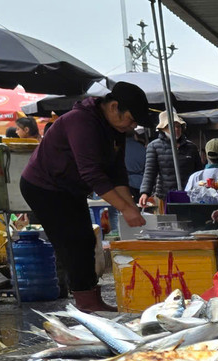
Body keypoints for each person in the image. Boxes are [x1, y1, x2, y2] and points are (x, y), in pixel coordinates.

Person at [17, 82, 149, 311]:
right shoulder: (81, 121)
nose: (132, 125)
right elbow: (93, 174)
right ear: (114, 106)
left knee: (87, 239)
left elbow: (117, 174)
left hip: (71, 188)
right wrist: (125, 209)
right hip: (44, 186)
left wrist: (130, 206)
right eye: (131, 119)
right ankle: (85, 303)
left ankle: (90, 298)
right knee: (73, 241)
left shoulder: (114, 130)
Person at [139, 113, 203, 207]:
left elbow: (198, 172)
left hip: (189, 195)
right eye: (171, 126)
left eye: (178, 126)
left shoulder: (191, 147)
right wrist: (145, 192)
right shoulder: (154, 146)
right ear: (163, 128)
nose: (176, 129)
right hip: (164, 196)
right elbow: (149, 172)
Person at [124, 125, 148, 197]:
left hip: (126, 184)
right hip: (141, 183)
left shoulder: (119, 148)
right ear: (135, 135)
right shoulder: (142, 148)